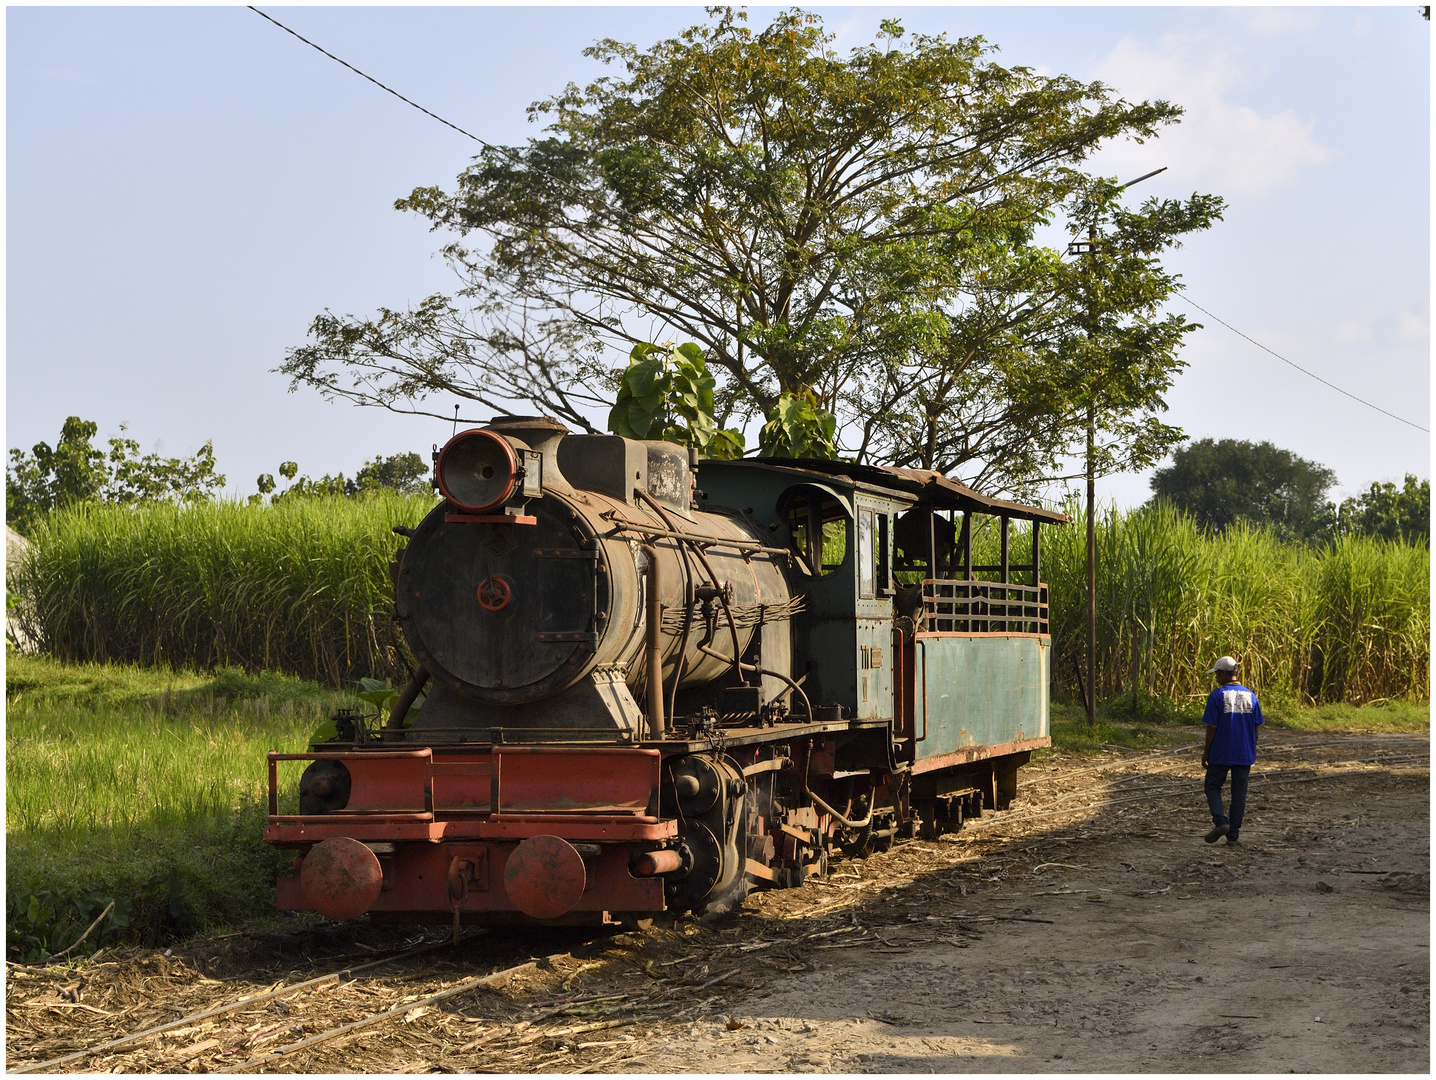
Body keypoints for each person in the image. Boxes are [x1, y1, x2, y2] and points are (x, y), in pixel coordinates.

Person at [1200, 655, 1263, 845]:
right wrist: (1251, 749)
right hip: (1244, 753)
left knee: (1212, 786)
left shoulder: (1217, 696)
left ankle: (1220, 821)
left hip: (1221, 752)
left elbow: (1212, 727)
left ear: (1221, 673)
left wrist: (1206, 751)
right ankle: (1233, 836)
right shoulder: (1250, 696)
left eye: (1216, 674)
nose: (1216, 678)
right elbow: (1256, 727)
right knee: (1239, 794)